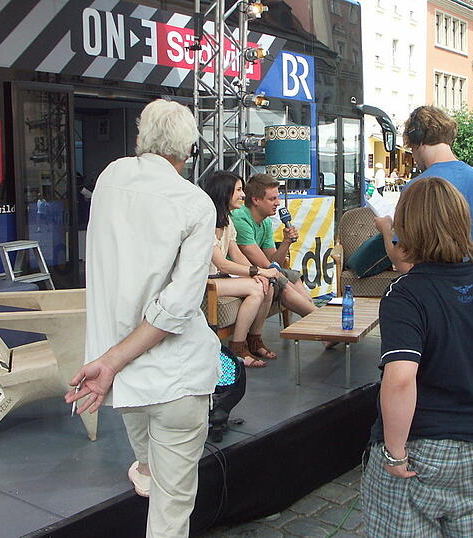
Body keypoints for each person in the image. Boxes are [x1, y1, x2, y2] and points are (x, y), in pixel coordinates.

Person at [360, 176, 473, 537]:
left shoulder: (405, 294)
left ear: (407, 229)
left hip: (420, 451)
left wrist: (394, 451)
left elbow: (400, 378)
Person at [66, 99, 218, 537]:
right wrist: (112, 362)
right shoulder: (195, 203)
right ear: (188, 151)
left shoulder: (110, 178)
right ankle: (151, 473)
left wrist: (111, 361)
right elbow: (178, 308)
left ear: (139, 138)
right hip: (173, 377)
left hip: (124, 380)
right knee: (170, 511)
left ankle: (149, 470)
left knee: (153, 474)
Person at [374, 105, 473, 272]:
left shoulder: (416, 188)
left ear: (417, 141)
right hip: (471, 290)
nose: (414, 158)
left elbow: (404, 263)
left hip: (428, 292)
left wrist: (386, 229)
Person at [202, 171, 283, 367]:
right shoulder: (206, 222)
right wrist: (260, 271)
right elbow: (222, 263)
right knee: (256, 287)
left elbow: (237, 255)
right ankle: (237, 347)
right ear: (225, 192)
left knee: (267, 285)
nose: (243, 195)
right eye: (238, 190)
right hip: (205, 282)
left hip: (221, 279)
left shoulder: (227, 222)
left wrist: (260, 274)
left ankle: (254, 340)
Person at [232, 173, 317, 317]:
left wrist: (286, 242)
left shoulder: (265, 221)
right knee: (283, 284)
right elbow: (267, 265)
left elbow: (274, 261)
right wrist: (281, 277)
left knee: (294, 278)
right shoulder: (240, 218)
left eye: (277, 198)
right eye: (272, 199)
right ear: (256, 200)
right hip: (240, 273)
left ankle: (317, 319)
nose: (278, 203)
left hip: (261, 270)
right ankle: (320, 320)